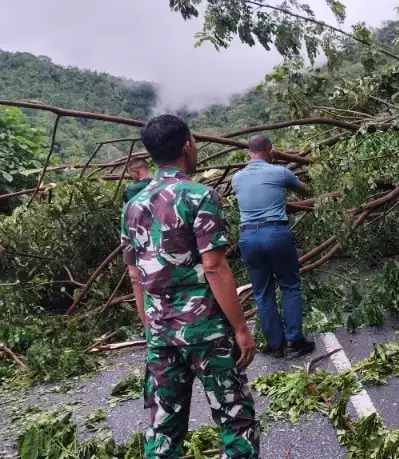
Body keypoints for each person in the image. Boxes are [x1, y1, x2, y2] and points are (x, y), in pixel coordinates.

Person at [121, 114, 259, 458]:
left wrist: (151, 327)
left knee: (164, 429)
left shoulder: (132, 206)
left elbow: (135, 274)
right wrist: (241, 328)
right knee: (236, 422)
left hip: (160, 334)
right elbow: (214, 267)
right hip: (206, 332)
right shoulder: (199, 195)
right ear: (187, 145)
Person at [231, 135, 314, 358]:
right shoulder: (280, 172)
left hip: (248, 237)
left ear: (249, 152)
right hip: (276, 233)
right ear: (270, 150)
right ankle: (294, 340)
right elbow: (304, 191)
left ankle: (274, 345)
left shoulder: (237, 178)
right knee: (290, 285)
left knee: (262, 292)